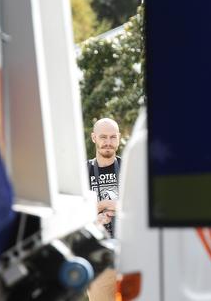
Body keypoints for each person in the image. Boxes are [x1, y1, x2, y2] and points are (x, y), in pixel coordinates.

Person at [87, 117, 121, 301]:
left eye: (112, 137)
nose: (108, 142)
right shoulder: (84, 171)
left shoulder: (129, 167)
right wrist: (102, 208)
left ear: (119, 138)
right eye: (103, 137)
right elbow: (75, 214)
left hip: (132, 254)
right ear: (94, 138)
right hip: (98, 258)